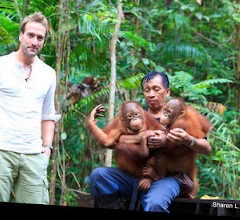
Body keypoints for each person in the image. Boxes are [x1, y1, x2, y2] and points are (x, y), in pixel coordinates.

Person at [0, 12, 60, 204]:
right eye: (30, 35)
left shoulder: (48, 74)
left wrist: (47, 148)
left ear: (44, 41)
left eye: (40, 38)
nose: (35, 41)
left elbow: (48, 114)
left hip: (34, 156)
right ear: (20, 35)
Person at [88, 71, 211, 212]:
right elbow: (108, 140)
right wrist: (138, 137)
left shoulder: (182, 114)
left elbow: (206, 148)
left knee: (155, 203)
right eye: (147, 90)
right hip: (134, 179)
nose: (151, 94)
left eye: (156, 89)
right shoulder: (135, 115)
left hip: (167, 179)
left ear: (167, 92)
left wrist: (188, 140)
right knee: (99, 176)